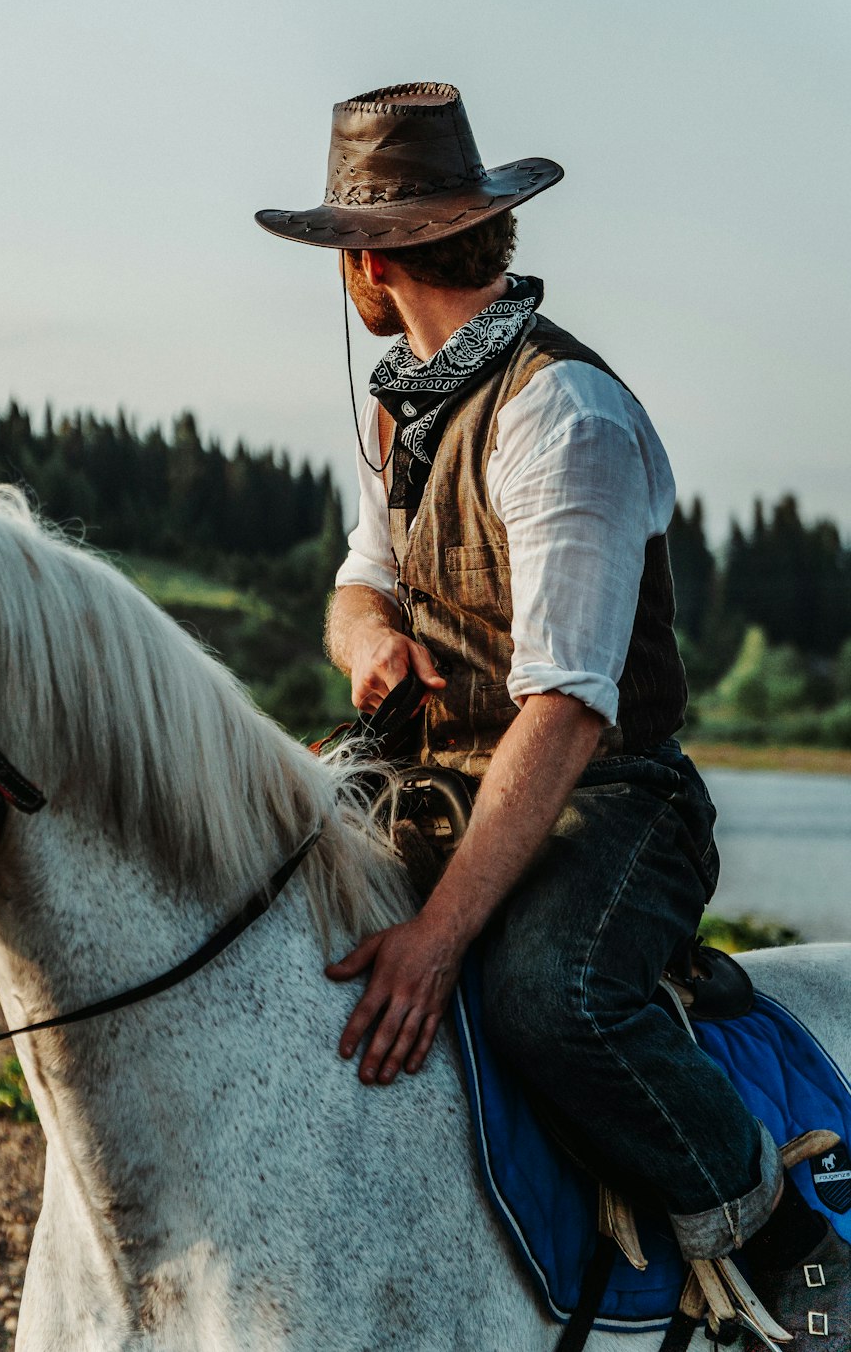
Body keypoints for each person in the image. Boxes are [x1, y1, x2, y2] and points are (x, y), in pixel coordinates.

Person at [256, 82, 849, 1346]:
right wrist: (371, 645)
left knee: (547, 997)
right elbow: (359, 583)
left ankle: (791, 1246)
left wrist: (435, 941)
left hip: (610, 798)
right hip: (446, 776)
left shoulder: (562, 414)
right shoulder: (401, 402)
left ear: (372, 258)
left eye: (339, 252)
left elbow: (569, 715)